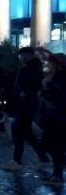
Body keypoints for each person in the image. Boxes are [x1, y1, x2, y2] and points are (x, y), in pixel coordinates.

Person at [5, 47, 49, 170]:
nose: (22, 58)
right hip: (25, 103)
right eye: (21, 56)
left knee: (19, 131)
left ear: (30, 55)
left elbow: (33, 84)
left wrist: (24, 92)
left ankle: (17, 161)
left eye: (24, 55)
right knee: (26, 133)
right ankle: (43, 158)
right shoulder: (27, 68)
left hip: (27, 104)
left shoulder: (33, 68)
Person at [38, 53, 66, 185]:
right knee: (50, 145)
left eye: (51, 62)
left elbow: (59, 96)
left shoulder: (61, 78)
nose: (48, 64)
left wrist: (45, 92)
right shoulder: (53, 76)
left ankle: (58, 175)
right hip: (50, 115)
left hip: (57, 116)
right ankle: (57, 173)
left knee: (55, 145)